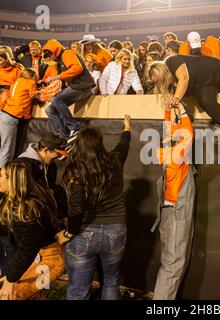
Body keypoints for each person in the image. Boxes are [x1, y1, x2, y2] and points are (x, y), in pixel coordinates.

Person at [57, 115, 132, 300]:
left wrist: (67, 233)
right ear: (100, 144)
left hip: (84, 233)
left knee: (79, 289)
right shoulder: (114, 161)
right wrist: (127, 127)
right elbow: (124, 144)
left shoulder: (77, 170)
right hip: (115, 231)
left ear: (79, 146)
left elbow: (76, 209)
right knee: (111, 282)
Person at [149, 55, 220, 147]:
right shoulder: (170, 86)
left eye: (159, 80)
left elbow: (184, 78)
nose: (159, 84)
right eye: (157, 82)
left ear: (162, 72)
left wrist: (176, 98)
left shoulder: (171, 61)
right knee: (206, 102)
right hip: (204, 85)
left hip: (215, 69)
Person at [0, 160, 65, 300]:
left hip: (49, 260)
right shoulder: (13, 200)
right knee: (31, 294)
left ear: (12, 182)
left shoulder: (27, 210)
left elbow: (28, 249)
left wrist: (11, 280)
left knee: (10, 295)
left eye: (1, 177)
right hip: (37, 257)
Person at [151, 102, 195, 300]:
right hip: (177, 213)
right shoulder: (177, 156)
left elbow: (169, 130)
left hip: (169, 213)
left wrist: (169, 112)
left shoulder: (166, 151)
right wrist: (183, 110)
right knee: (172, 267)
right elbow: (188, 135)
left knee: (172, 263)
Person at [42, 39, 95, 141]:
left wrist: (58, 77)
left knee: (56, 99)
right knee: (49, 110)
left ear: (55, 49)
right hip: (77, 87)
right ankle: (67, 137)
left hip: (83, 86)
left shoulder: (67, 53)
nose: (50, 57)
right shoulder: (61, 59)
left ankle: (75, 127)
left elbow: (77, 68)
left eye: (50, 53)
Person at [0, 68, 38, 168]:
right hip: (11, 117)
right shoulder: (30, 82)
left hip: (3, 114)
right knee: (7, 150)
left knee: (4, 148)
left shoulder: (16, 82)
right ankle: (3, 177)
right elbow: (35, 96)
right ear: (32, 76)